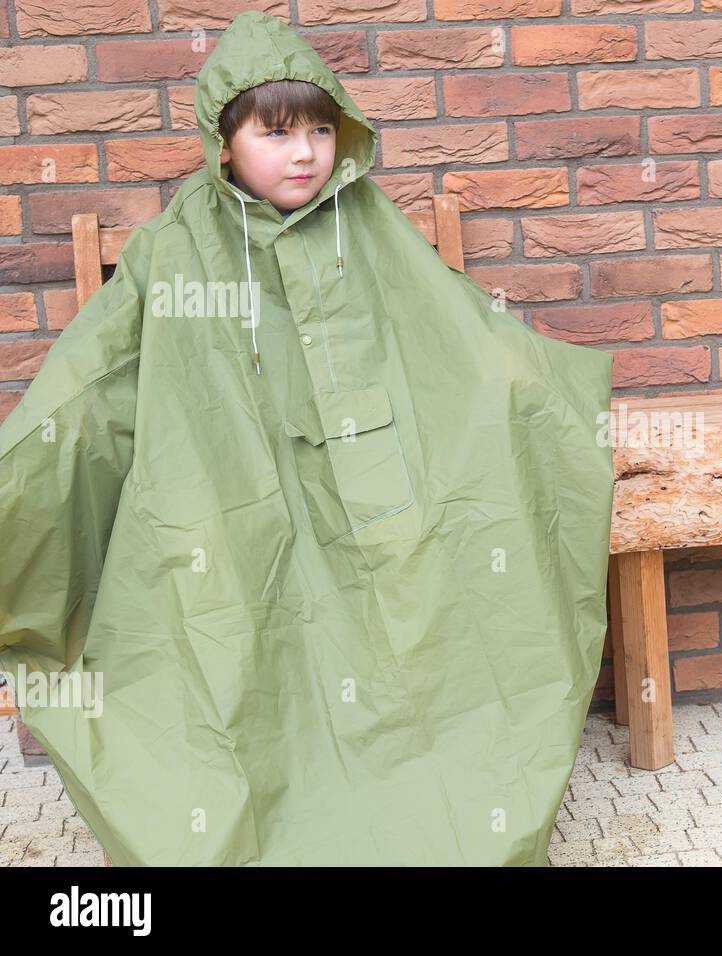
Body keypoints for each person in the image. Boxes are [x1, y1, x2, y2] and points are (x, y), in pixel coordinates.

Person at [0, 11, 614, 865]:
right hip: (228, 494)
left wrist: (551, 399)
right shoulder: (176, 247)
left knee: (454, 589)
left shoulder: (368, 223)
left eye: (321, 130)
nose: (304, 153)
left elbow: (454, 334)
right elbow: (96, 378)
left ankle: (440, 815)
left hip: (387, 491)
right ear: (224, 145)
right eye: (276, 132)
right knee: (206, 624)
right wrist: (22, 483)